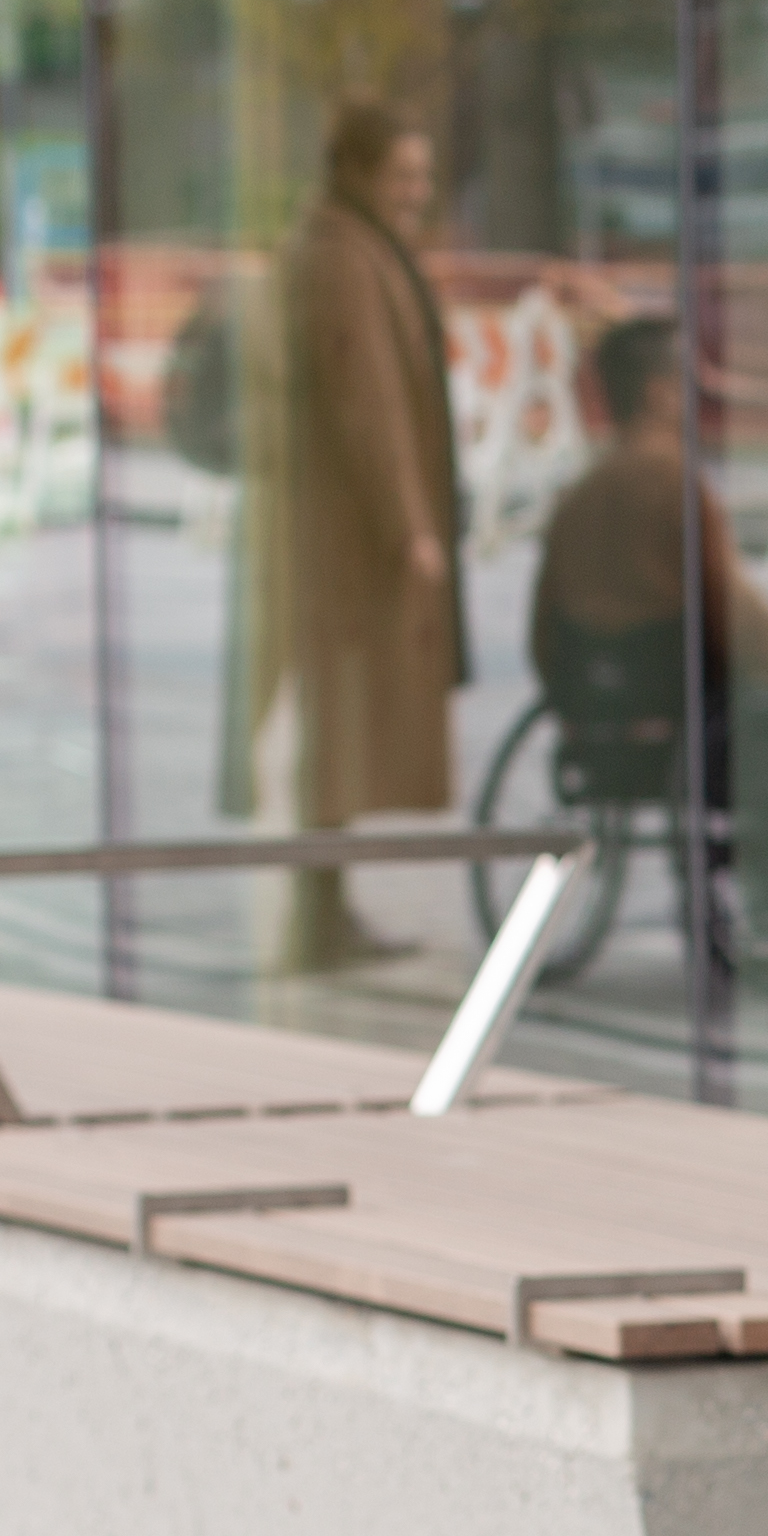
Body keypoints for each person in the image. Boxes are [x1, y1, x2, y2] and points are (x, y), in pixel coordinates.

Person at [531, 316, 768, 947]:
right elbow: (743, 629)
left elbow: (544, 631)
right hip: (692, 730)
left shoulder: (579, 497)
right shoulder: (675, 488)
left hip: (599, 727)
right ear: (659, 391)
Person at [234, 103, 466, 968]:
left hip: (333, 533)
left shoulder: (351, 249)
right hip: (341, 542)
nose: (419, 192)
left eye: (424, 175)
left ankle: (323, 912)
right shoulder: (340, 259)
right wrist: (410, 529)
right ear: (360, 172)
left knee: (339, 734)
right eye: (404, 174)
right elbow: (367, 404)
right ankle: (317, 916)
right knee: (337, 735)